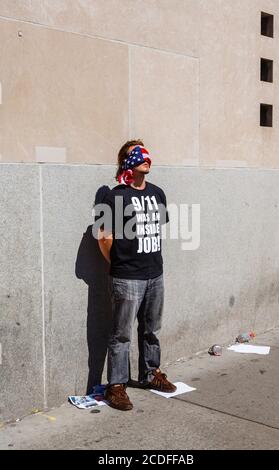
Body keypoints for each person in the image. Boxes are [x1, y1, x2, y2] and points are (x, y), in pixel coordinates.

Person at [98, 139, 176, 411]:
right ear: (126, 162)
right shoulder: (114, 196)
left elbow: (158, 228)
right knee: (121, 334)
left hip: (155, 273)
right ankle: (116, 385)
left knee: (151, 329)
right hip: (127, 276)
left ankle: (150, 373)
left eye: (146, 151)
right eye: (137, 153)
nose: (146, 157)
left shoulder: (158, 192)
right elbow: (104, 237)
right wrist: (121, 264)